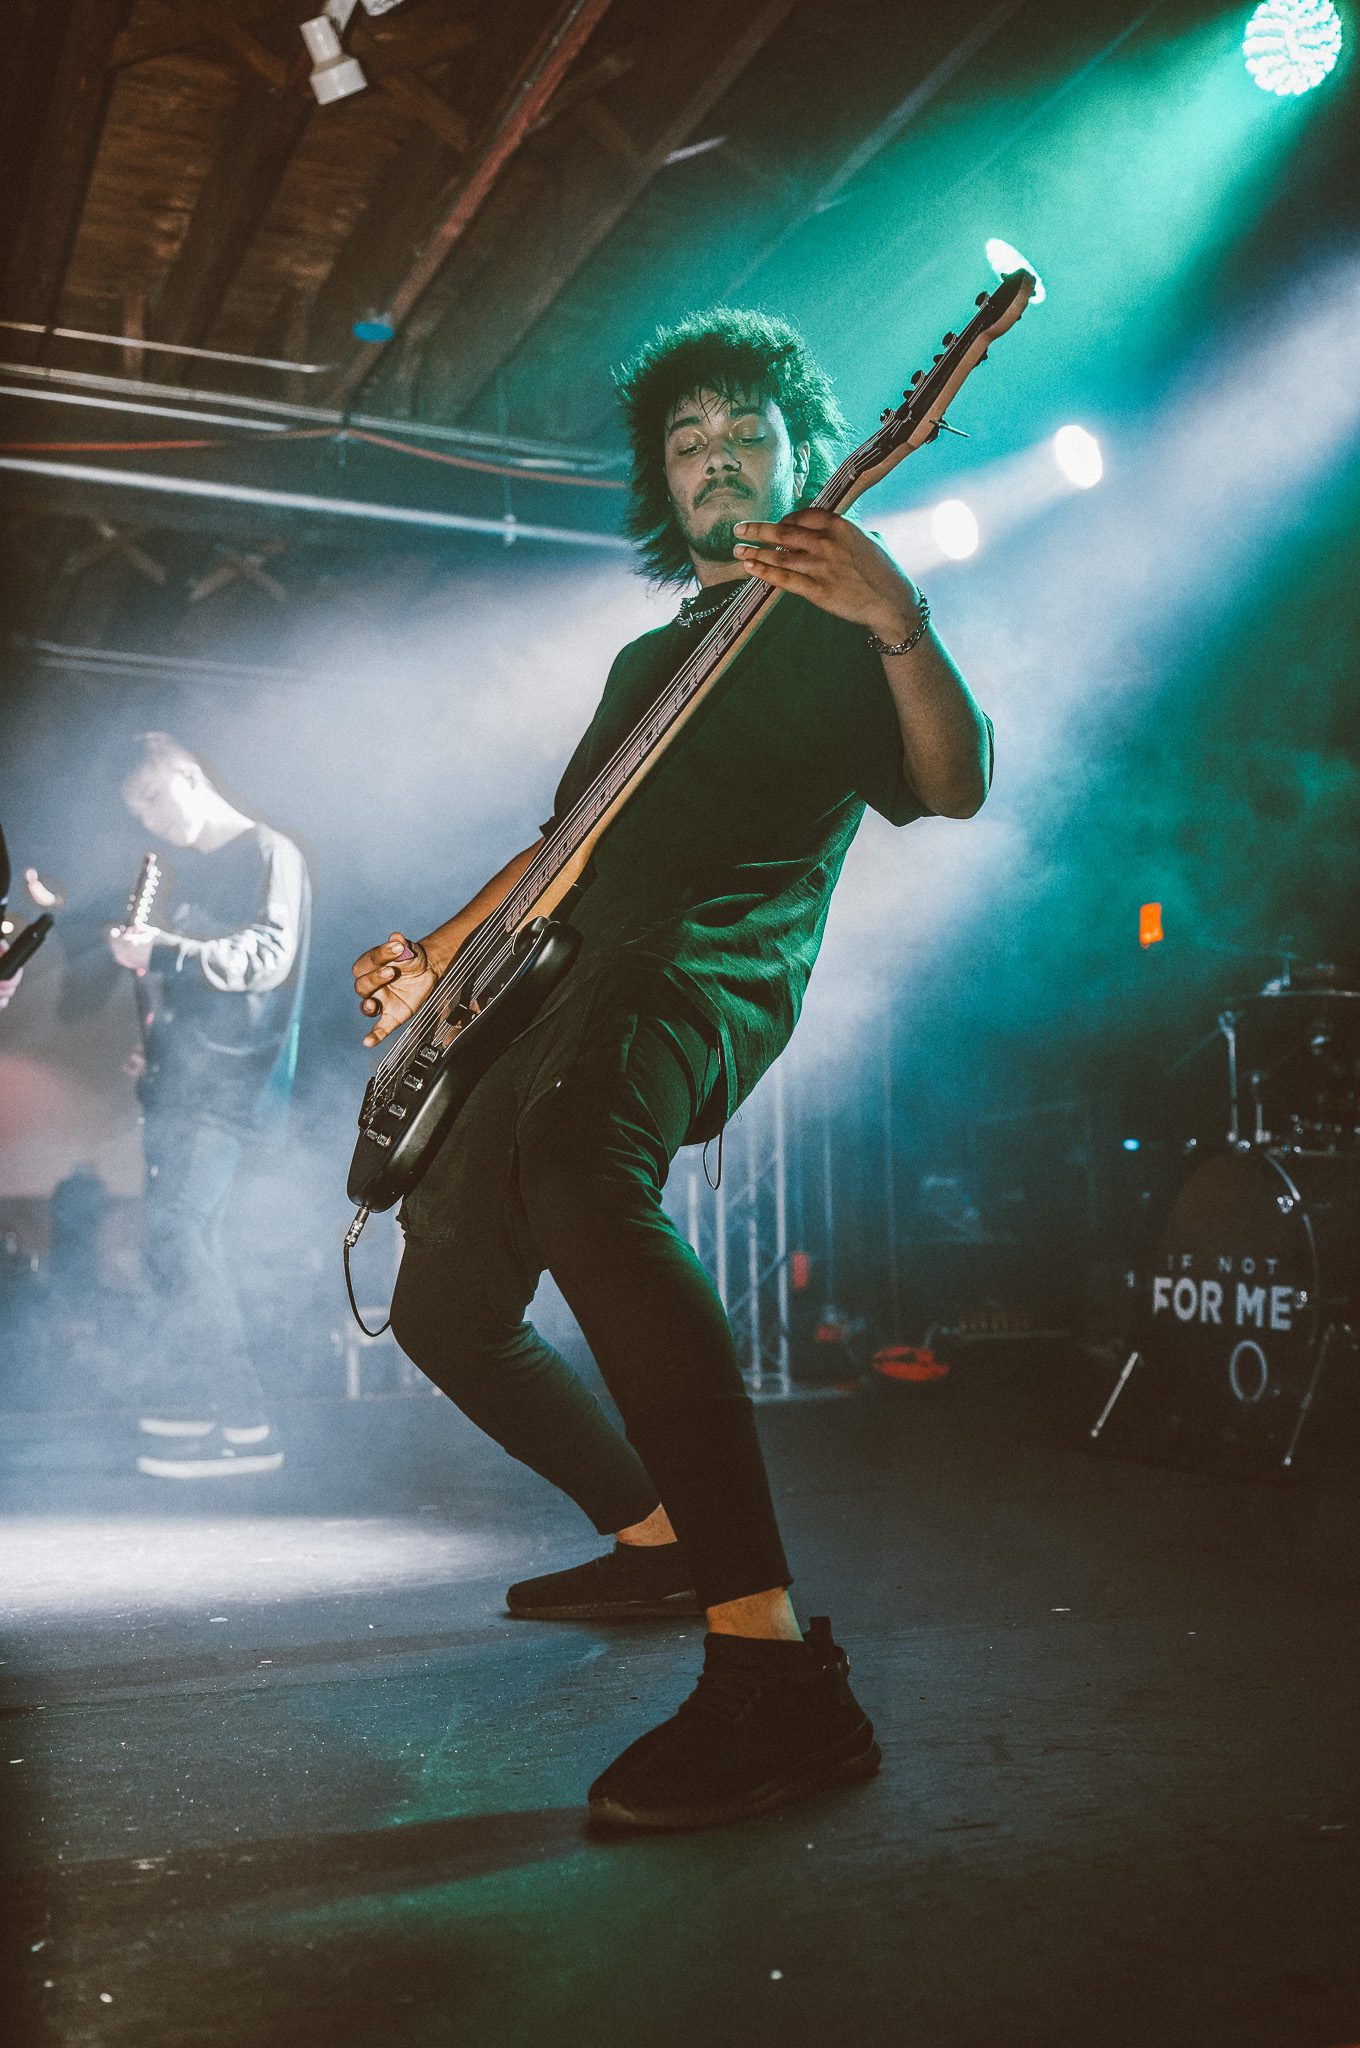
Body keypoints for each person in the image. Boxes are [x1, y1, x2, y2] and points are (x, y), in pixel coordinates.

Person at [352, 309, 993, 1832]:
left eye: (744, 435)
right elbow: (563, 847)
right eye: (687, 445)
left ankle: (772, 1670)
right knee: (441, 1305)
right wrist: (439, 954)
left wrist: (895, 613)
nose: (715, 463)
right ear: (664, 481)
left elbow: (954, 786)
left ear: (802, 451)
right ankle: (653, 1540)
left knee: (583, 1180)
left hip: (697, 966)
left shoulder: (848, 620)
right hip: (557, 978)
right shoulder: (650, 651)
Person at [110, 734, 310, 1477]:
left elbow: (268, 956)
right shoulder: (200, 872)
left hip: (231, 1089)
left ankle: (247, 1426)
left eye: (154, 799)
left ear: (189, 777)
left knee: (180, 1234)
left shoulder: (268, 851)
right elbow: (205, 992)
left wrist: (163, 949)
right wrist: (158, 1047)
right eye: (138, 812)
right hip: (189, 1081)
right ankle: (200, 1404)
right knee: (177, 1246)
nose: (151, 821)